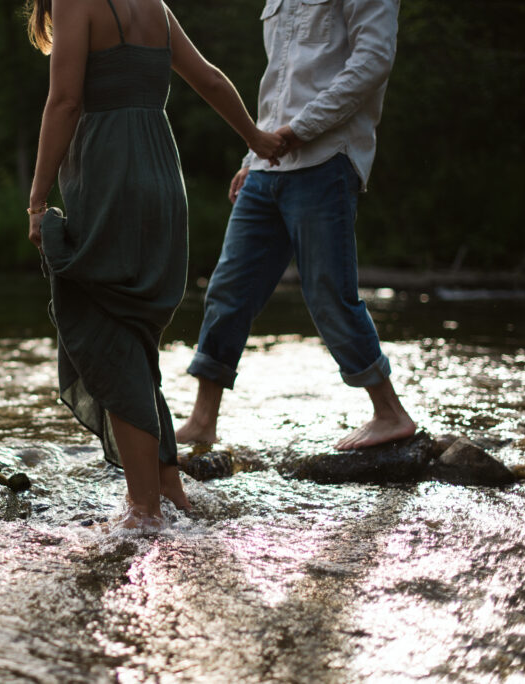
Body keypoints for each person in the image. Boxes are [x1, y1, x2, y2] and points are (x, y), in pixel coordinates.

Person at [26, 0, 282, 529]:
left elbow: (65, 102)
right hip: (163, 181)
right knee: (135, 336)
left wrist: (36, 200)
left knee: (105, 332)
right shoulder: (155, 6)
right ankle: (169, 489)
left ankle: (144, 511)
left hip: (109, 178)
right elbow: (209, 80)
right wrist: (255, 138)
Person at [174, 0, 416, 450]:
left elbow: (372, 64)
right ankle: (203, 420)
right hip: (269, 165)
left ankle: (390, 414)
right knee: (228, 289)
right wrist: (254, 155)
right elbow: (279, 81)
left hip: (326, 158)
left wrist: (297, 131)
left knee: (328, 290)